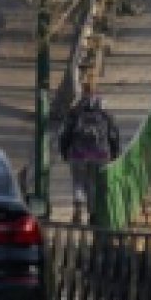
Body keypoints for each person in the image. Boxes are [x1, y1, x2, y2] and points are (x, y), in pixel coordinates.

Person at [58, 80, 121, 224]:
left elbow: (65, 133)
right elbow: (113, 134)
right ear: (96, 92)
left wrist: (64, 151)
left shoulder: (75, 111)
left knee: (78, 181)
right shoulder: (104, 112)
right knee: (93, 183)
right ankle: (93, 214)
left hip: (78, 152)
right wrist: (115, 153)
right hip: (100, 153)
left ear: (82, 92)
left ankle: (78, 206)